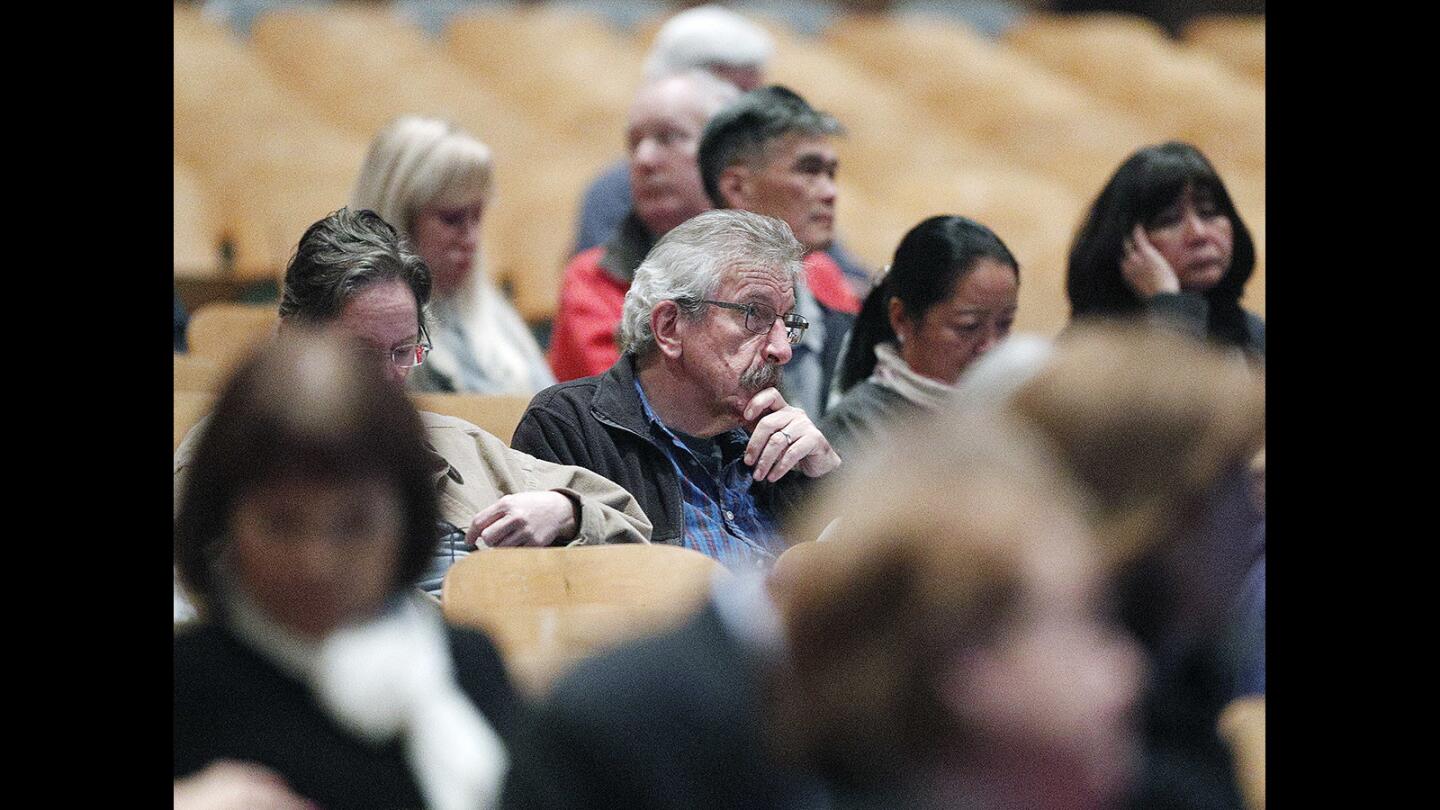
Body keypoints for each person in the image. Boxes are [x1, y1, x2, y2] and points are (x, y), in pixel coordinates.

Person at [502, 410, 1145, 810]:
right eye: (1083, 623)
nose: (1126, 671)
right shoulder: (620, 727)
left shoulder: (918, 742)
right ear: (965, 657)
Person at [174, 208, 650, 600]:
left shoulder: (458, 445)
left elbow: (634, 525)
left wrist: (565, 510)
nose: (387, 378)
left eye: (404, 351)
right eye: (360, 352)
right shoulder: (221, 462)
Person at [175, 331, 518, 810]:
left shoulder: (468, 664)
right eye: (281, 523)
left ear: (406, 522)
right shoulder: (188, 681)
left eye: (354, 525)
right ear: (224, 519)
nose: (317, 562)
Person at [957, 322, 1266, 810]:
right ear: (1164, 518)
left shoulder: (1179, 679)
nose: (1253, 515)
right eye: (1230, 486)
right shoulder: (1079, 745)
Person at [513, 210, 842, 570]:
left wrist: (828, 481)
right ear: (669, 327)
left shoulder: (780, 443)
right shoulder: (570, 428)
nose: (783, 349)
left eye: (786, 322)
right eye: (755, 314)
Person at [572, 5, 874, 293]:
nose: (749, 111)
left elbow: (840, 274)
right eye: (735, 93)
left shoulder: (767, 183)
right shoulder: (616, 193)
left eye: (751, 92)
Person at [547, 70, 740, 382]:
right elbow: (627, 403)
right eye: (634, 143)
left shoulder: (804, 270)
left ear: (726, 155)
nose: (644, 159)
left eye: (669, 137)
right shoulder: (593, 279)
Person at [350, 116, 555, 394]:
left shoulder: (493, 313)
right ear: (398, 220)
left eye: (477, 216)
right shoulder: (362, 335)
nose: (471, 239)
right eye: (452, 218)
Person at [697, 85, 860, 418]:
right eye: (809, 170)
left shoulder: (849, 334)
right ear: (737, 188)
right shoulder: (685, 337)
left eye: (831, 173)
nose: (830, 192)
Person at [820, 215, 1020, 460]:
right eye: (968, 326)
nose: (990, 346)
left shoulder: (1015, 417)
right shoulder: (853, 432)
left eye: (1005, 324)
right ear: (901, 319)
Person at [1066, 141, 1264, 357]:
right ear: (1128, 245)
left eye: (1209, 212)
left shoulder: (1254, 336)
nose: (1198, 234)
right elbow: (1173, 388)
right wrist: (1170, 306)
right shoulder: (1089, 349)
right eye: (1168, 221)